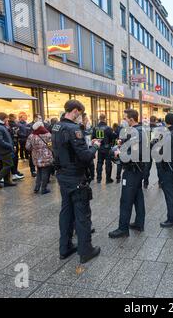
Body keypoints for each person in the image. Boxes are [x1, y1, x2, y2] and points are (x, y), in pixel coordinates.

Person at [51, 99, 101, 264]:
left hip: (62, 175)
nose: (80, 117)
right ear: (74, 111)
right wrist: (95, 146)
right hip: (75, 177)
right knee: (82, 214)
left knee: (66, 212)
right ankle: (85, 250)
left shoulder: (56, 126)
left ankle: (64, 248)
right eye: (80, 113)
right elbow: (85, 156)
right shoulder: (74, 129)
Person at [109, 109, 147, 238]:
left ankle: (123, 228)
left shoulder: (137, 132)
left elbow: (137, 153)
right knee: (138, 197)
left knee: (126, 200)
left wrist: (120, 154)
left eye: (125, 118)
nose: (123, 120)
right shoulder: (140, 130)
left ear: (131, 119)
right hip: (138, 169)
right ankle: (139, 223)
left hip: (132, 170)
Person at [0, 113, 17, 189]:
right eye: (7, 118)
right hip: (4, 150)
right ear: (3, 118)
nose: (7, 120)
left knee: (6, 165)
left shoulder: (0, 126)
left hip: (5, 149)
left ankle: (7, 181)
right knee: (9, 165)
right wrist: (10, 146)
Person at [26, 121, 53, 195]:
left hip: (36, 156)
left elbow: (27, 147)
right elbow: (51, 145)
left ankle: (36, 188)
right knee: (45, 172)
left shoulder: (31, 136)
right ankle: (43, 189)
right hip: (46, 156)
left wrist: (35, 148)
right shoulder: (48, 134)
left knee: (39, 172)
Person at [93, 114, 115, 184]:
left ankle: (99, 178)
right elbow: (112, 138)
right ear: (105, 118)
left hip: (99, 148)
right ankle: (108, 179)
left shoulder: (95, 128)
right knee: (108, 164)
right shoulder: (108, 128)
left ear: (99, 119)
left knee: (99, 163)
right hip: (107, 148)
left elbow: (93, 138)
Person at [8, 114, 25, 181]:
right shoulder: (12, 125)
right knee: (14, 158)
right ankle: (14, 172)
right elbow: (16, 133)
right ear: (12, 118)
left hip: (15, 142)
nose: (16, 119)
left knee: (15, 158)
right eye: (15, 118)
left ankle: (15, 171)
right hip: (14, 143)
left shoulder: (13, 124)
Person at [143, 116, 158, 189]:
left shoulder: (145, 129)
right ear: (155, 120)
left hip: (147, 149)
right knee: (159, 167)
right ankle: (161, 183)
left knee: (147, 167)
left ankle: (145, 183)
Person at [81, 113, 95, 183]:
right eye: (86, 119)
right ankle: (88, 176)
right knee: (88, 163)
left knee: (91, 163)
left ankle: (91, 176)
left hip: (89, 146)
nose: (87, 120)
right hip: (84, 148)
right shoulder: (80, 128)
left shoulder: (87, 127)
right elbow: (85, 134)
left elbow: (90, 134)